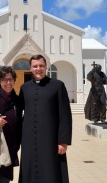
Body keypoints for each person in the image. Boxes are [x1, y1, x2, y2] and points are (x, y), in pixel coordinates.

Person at [18, 54, 72, 183]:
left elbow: (65, 114)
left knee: (51, 170)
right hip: (29, 139)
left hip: (51, 139)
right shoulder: (24, 88)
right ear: (30, 68)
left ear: (46, 67)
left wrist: (63, 141)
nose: (38, 69)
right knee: (29, 168)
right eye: (35, 66)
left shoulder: (58, 85)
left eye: (41, 66)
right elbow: (18, 112)